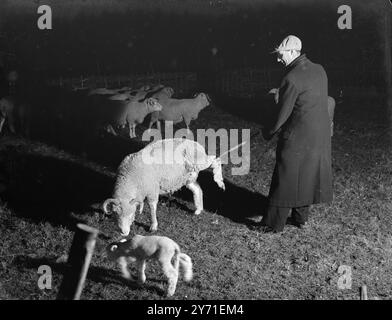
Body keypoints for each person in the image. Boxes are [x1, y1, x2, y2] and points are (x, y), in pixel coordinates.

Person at [261, 35, 333, 233]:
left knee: (286, 176)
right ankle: (300, 219)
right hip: (320, 135)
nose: (278, 59)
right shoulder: (319, 69)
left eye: (280, 55)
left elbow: (282, 114)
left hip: (298, 136)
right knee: (307, 174)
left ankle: (272, 225)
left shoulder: (291, 77)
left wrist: (268, 131)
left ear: (293, 52)